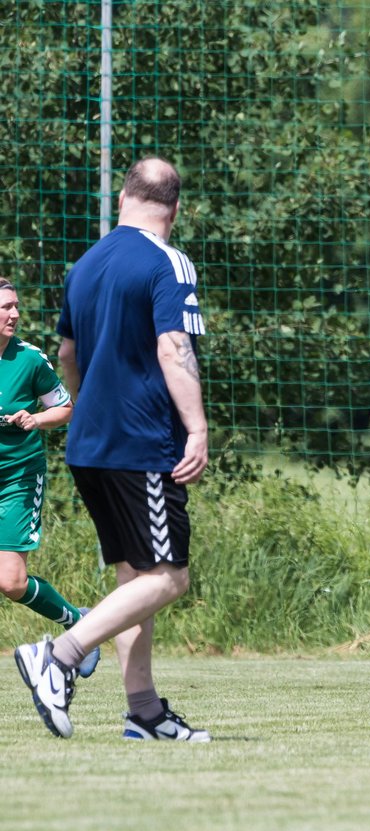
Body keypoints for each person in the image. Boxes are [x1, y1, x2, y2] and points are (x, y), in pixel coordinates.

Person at [13, 156, 210, 741]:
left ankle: (144, 714)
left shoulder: (86, 264)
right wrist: (196, 429)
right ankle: (60, 656)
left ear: (123, 198)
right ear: (174, 209)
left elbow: (68, 356)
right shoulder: (167, 262)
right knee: (170, 577)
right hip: (141, 442)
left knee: (135, 578)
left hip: (88, 443)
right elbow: (173, 349)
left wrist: (89, 404)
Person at [0, 278, 100, 679]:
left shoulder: (29, 361)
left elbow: (66, 408)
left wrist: (35, 419)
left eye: (16, 306)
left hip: (17, 479)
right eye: (6, 307)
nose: (15, 314)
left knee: (10, 582)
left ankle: (76, 622)